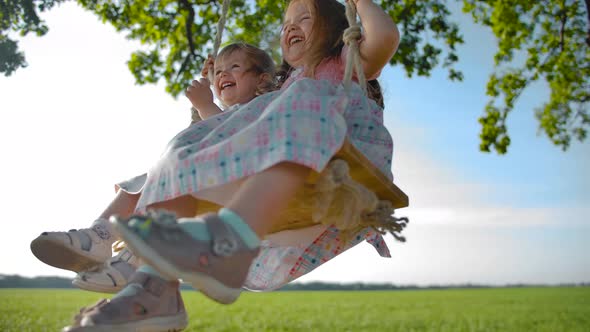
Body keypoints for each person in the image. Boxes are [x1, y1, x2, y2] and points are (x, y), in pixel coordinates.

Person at [64, 0, 400, 330]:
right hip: (274, 188)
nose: (290, 27)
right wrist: (211, 99)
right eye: (285, 24)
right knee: (183, 150)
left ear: (339, 28)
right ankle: (151, 284)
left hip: (336, 167)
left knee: (297, 98)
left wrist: (358, 2)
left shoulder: (342, 64)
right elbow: (236, 129)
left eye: (305, 17)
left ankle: (230, 236)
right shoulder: (283, 91)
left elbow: (384, 36)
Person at [30, 42, 277, 294]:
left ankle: (135, 259)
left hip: (235, 189)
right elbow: (203, 132)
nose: (223, 74)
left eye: (234, 67)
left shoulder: (266, 106)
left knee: (165, 180)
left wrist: (204, 105)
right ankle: (99, 236)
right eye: (220, 71)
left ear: (262, 79)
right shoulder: (224, 111)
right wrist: (204, 97)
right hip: (202, 184)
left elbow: (236, 136)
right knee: (141, 183)